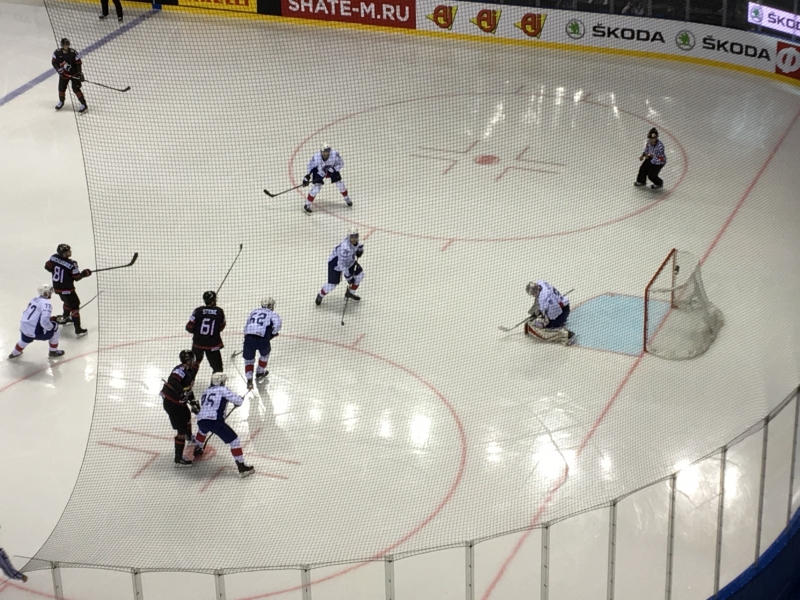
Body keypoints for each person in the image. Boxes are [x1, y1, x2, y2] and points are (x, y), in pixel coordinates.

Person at [194, 373, 255, 478]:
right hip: (215, 421)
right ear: (221, 382)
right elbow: (238, 401)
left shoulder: (205, 392)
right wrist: (240, 399)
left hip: (201, 419)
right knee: (234, 440)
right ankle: (241, 467)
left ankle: (198, 448)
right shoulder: (223, 390)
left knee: (202, 431)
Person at [160, 350, 201, 467]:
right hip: (172, 403)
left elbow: (187, 389)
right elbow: (172, 381)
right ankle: (178, 459)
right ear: (188, 360)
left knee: (187, 416)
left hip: (178, 402)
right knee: (181, 430)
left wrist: (192, 400)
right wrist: (181, 391)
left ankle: (189, 437)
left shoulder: (189, 371)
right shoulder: (181, 370)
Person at [44, 244, 92, 337]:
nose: (70, 252)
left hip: (57, 288)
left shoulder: (54, 257)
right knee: (75, 307)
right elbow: (76, 277)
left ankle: (66, 318)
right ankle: (78, 329)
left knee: (67, 302)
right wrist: (85, 273)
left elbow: (47, 267)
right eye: (68, 251)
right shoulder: (72, 264)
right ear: (64, 254)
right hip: (67, 289)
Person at [8, 285, 64, 360]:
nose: (51, 293)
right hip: (34, 331)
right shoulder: (47, 304)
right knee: (55, 328)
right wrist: (51, 327)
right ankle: (53, 352)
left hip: (24, 327)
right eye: (50, 292)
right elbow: (44, 321)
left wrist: (51, 318)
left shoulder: (34, 299)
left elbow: (35, 316)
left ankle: (15, 353)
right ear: (46, 293)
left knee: (24, 340)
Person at [315, 229, 364, 305]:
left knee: (359, 275)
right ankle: (320, 295)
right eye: (352, 237)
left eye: (356, 236)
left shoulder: (357, 242)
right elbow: (341, 264)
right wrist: (348, 277)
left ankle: (350, 293)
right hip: (336, 263)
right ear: (348, 237)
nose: (354, 239)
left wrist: (360, 251)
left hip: (349, 262)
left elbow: (359, 246)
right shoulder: (345, 248)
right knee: (332, 285)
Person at [242, 298, 281, 390]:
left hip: (249, 337)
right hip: (262, 339)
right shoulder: (272, 314)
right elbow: (277, 325)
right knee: (265, 355)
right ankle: (260, 372)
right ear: (269, 306)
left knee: (249, 360)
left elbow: (247, 325)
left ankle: (249, 380)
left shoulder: (254, 311)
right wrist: (272, 334)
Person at [301, 144, 352, 213]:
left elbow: (341, 163)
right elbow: (310, 166)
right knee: (316, 188)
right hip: (320, 171)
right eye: (324, 152)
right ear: (321, 152)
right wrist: (307, 177)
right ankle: (307, 204)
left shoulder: (335, 155)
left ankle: (347, 199)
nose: (326, 153)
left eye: (327, 151)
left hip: (332, 170)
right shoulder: (316, 157)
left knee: (340, 185)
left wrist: (334, 169)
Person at [523, 281, 575, 345]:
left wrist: (538, 319)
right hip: (565, 306)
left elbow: (551, 316)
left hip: (560, 315)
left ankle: (565, 335)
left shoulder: (543, 299)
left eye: (532, 293)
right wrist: (534, 312)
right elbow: (538, 301)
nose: (533, 295)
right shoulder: (541, 283)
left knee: (536, 326)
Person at [186, 291, 226, 373]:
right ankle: (216, 385)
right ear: (213, 300)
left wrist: (197, 332)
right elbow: (221, 327)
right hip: (212, 345)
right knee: (218, 368)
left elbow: (189, 327)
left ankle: (187, 383)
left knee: (193, 365)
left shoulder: (198, 311)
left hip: (198, 344)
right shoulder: (219, 311)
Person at [51, 38, 87, 113]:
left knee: (76, 89)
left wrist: (80, 73)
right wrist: (58, 69)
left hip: (74, 74)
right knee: (61, 89)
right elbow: (54, 62)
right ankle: (61, 102)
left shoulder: (73, 53)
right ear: (62, 45)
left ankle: (83, 104)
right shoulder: (57, 53)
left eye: (67, 45)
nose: (66, 46)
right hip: (64, 74)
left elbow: (78, 63)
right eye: (65, 45)